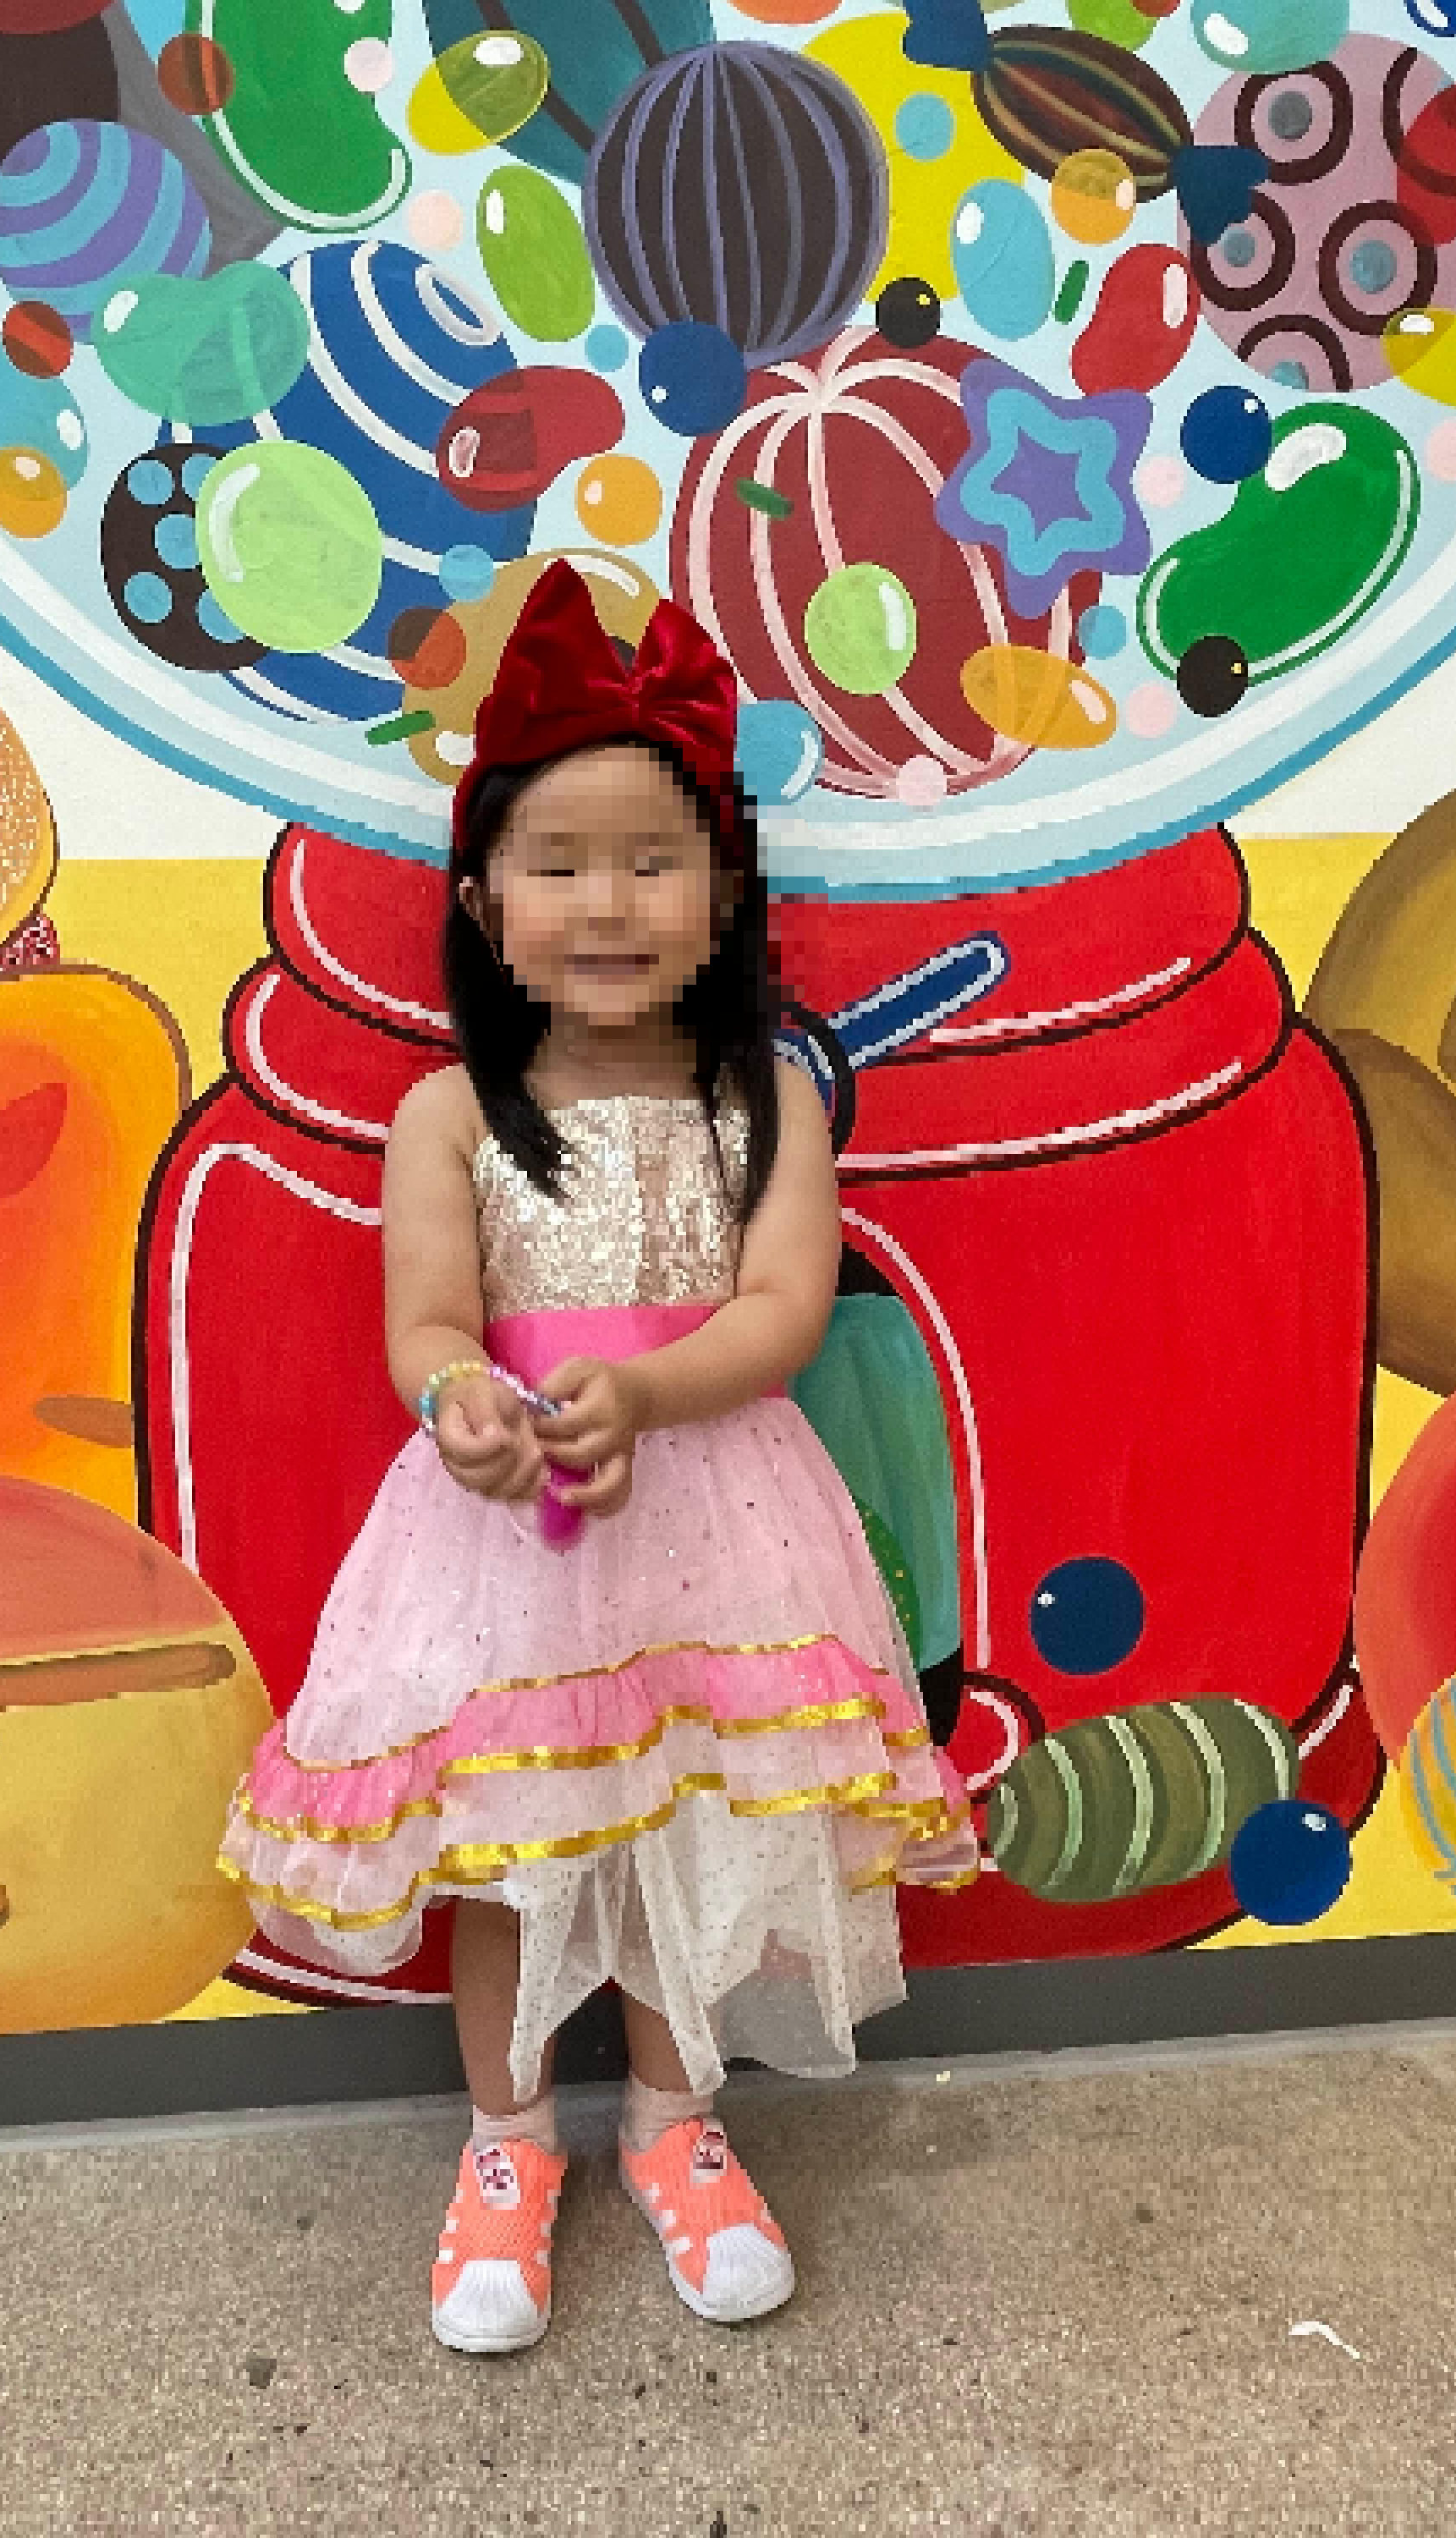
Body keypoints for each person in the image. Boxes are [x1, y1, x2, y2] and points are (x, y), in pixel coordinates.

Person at [219, 562, 977, 2355]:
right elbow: (426, 1320)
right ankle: (507, 2145)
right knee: (513, 1854)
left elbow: (780, 1311)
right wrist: (459, 1404)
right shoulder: (446, 1114)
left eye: (652, 860)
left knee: (691, 1834)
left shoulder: (763, 1101)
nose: (609, 902)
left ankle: (671, 2125)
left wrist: (642, 1394)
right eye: (558, 865)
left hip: (723, 1511)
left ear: (726, 893)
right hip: (505, 1539)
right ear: (484, 900)